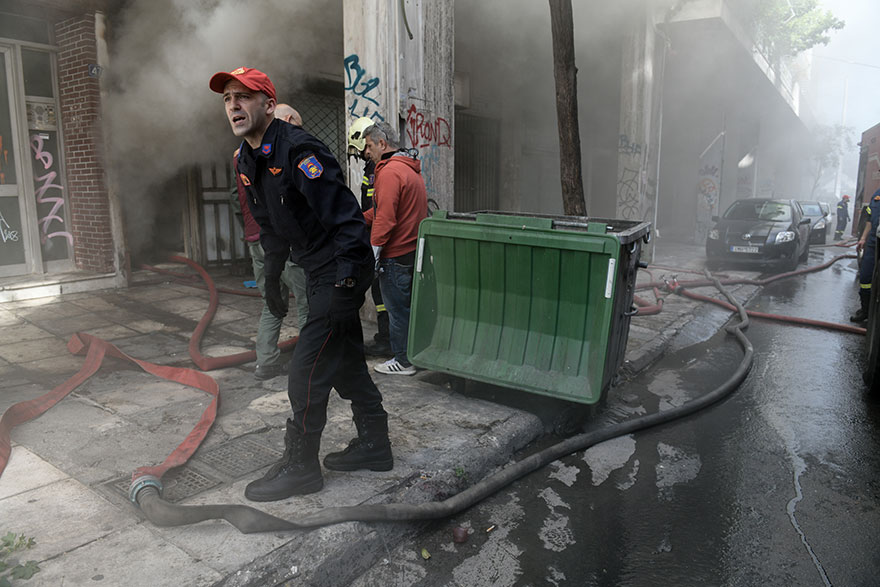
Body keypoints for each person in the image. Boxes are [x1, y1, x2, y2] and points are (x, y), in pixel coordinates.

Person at [210, 66, 392, 501]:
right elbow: (270, 225)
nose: (234, 105)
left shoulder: (299, 150)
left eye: (243, 96)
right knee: (346, 363)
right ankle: (376, 445)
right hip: (313, 267)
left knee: (306, 368)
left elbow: (346, 219)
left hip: (340, 267)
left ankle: (302, 465)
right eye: (227, 98)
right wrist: (272, 277)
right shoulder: (247, 159)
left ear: (269, 105)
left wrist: (347, 281)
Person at [230, 103, 310, 380]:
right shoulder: (280, 153)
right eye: (297, 126)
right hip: (283, 242)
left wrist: (251, 228)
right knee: (307, 303)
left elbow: (236, 198)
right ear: (286, 119)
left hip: (257, 239)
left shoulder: (240, 155)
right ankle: (309, 363)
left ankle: (266, 362)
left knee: (271, 302)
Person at [361, 121, 429, 375]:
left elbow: (386, 218)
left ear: (382, 143)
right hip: (410, 253)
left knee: (397, 312)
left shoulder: (389, 172)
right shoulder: (409, 168)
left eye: (369, 146)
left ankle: (403, 360)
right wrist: (358, 218)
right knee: (408, 310)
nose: (367, 152)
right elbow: (383, 210)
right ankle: (413, 355)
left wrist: (374, 252)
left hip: (395, 255)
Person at [347, 117, 392, 357]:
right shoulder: (372, 168)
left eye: (364, 149)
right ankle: (386, 337)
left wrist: (360, 220)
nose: (363, 154)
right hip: (372, 232)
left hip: (380, 237)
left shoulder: (381, 168)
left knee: (382, 293)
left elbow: (379, 208)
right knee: (380, 292)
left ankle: (388, 340)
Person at [851, 189, 880, 322]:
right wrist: (863, 238)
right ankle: (865, 310)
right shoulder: (876, 195)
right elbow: (869, 220)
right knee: (865, 277)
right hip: (873, 242)